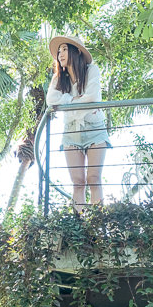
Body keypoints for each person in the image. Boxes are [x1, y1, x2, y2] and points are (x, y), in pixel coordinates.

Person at [46, 35, 109, 212]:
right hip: (70, 132)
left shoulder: (91, 70)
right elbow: (51, 101)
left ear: (77, 51)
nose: (60, 54)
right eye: (59, 52)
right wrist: (75, 99)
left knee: (94, 178)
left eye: (64, 49)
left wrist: (66, 103)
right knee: (78, 182)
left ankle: (98, 222)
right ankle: (79, 227)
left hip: (95, 129)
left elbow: (92, 97)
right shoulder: (58, 79)